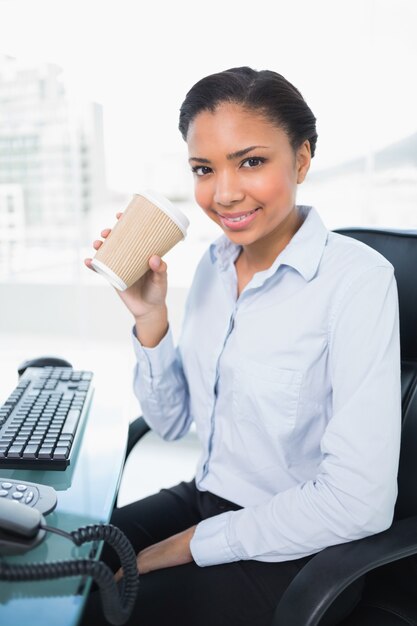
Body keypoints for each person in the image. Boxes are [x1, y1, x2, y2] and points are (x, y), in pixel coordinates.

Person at [83, 67, 401, 626]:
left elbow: (359, 501)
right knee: (60, 558)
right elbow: (174, 422)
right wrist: (150, 317)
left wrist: (185, 546)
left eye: (250, 161)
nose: (223, 193)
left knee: (102, 612)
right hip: (206, 495)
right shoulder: (212, 264)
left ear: (302, 159)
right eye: (204, 169)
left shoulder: (358, 281)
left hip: (300, 544)